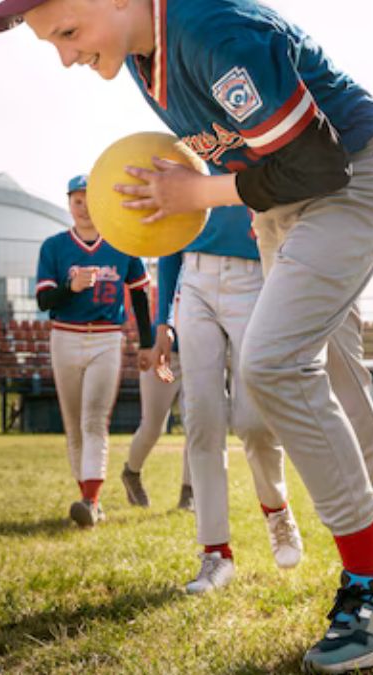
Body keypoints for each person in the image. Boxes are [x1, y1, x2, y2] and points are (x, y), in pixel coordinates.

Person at [0, 2, 373, 671]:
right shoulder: (144, 56)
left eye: (67, 32)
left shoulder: (207, 30)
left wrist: (195, 193)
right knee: (338, 380)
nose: (65, 57)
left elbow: (321, 164)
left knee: (274, 365)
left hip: (348, 176)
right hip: (287, 200)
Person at [152, 204, 303, 595]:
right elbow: (171, 236)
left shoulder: (257, 141)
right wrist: (163, 320)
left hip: (257, 274)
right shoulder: (187, 144)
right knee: (202, 421)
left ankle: (277, 510)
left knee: (254, 421)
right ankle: (216, 552)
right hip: (195, 278)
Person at [36, 174, 154, 527]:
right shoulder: (54, 246)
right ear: (69, 204)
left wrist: (146, 343)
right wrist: (70, 288)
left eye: (90, 199)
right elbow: (44, 300)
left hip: (106, 337)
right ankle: (89, 500)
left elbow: (139, 293)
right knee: (74, 425)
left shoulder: (122, 243)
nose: (83, 207)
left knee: (94, 421)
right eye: (77, 200)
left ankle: (90, 499)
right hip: (65, 335)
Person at [119, 251, 192, 512]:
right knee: (153, 426)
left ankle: (189, 492)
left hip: (199, 352)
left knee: (197, 424)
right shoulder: (177, 259)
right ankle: (132, 472)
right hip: (165, 352)